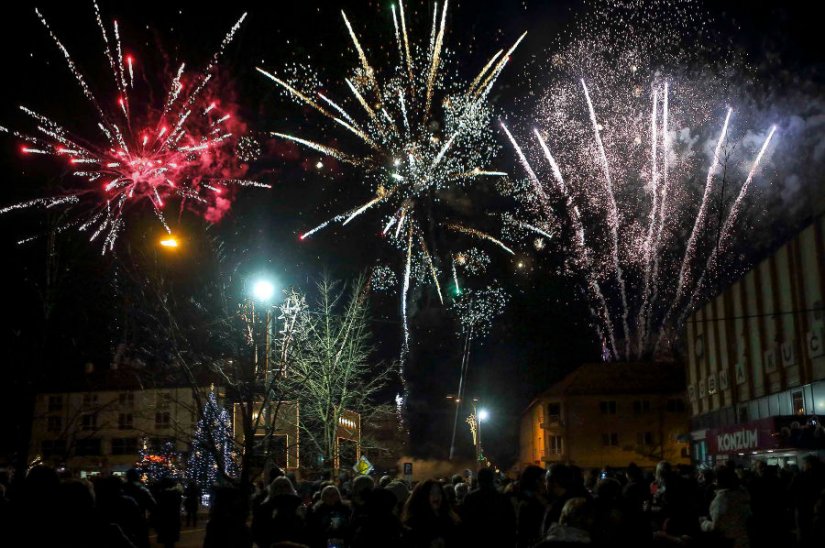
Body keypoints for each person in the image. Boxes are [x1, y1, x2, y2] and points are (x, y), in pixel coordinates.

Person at [461, 467, 516, 547]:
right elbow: (511, 523)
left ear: (478, 480)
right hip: (499, 540)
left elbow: (466, 523)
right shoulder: (502, 498)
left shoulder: (470, 498)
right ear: (492, 479)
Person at [401, 479, 460, 547]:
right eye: (431, 493)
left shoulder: (449, 517)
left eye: (439, 492)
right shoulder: (414, 523)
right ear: (422, 496)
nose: (436, 496)